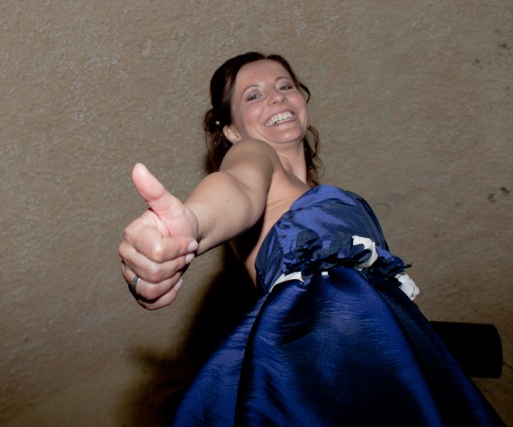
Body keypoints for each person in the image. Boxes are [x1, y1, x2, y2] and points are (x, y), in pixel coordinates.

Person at [118, 52, 504, 426]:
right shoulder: (254, 153)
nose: (276, 97)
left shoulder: (322, 196)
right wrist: (191, 224)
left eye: (285, 86)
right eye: (253, 95)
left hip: (385, 334)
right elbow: (238, 187)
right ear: (232, 131)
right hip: (321, 330)